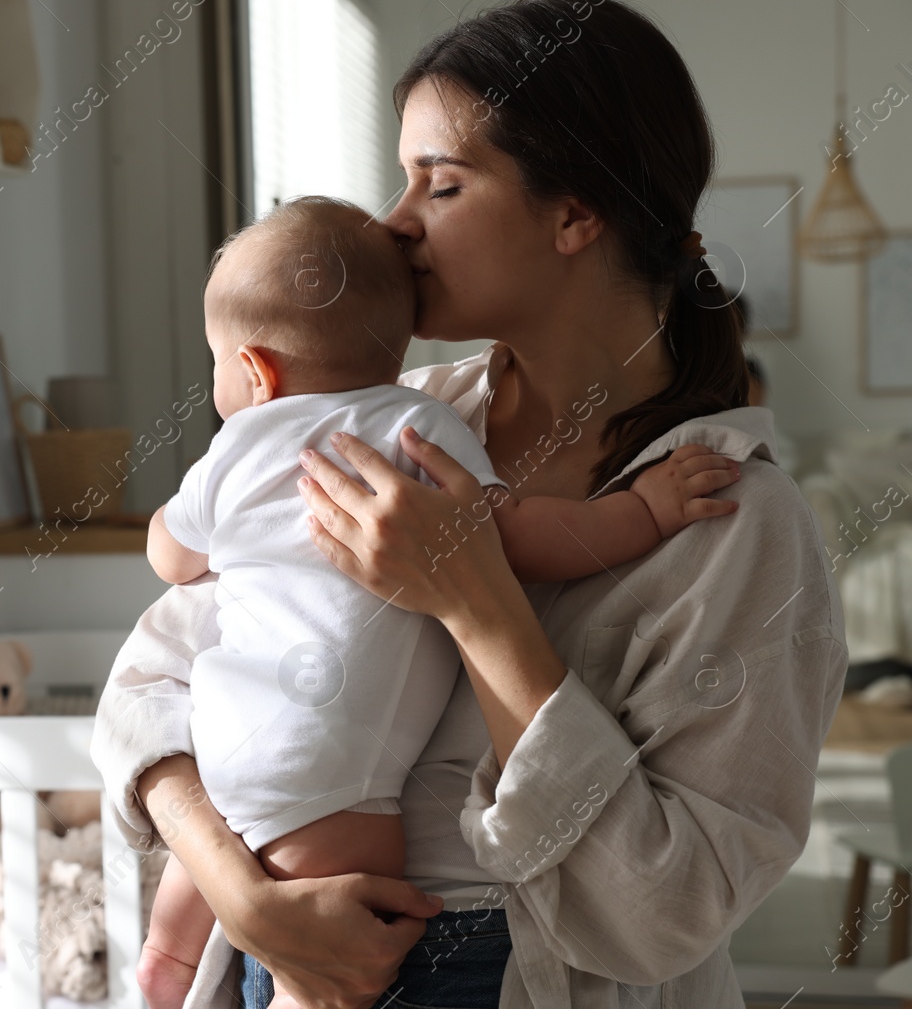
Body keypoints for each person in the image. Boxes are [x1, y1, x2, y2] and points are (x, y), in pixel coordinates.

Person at [89, 0, 847, 1009]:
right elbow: (147, 687)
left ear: (575, 213)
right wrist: (244, 893)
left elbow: (665, 909)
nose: (394, 224)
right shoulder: (378, 427)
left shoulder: (734, 527)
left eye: (438, 185)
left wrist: (475, 597)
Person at [134, 196, 741, 1009]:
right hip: (330, 794)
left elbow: (170, 561)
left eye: (440, 181)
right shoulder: (423, 422)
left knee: (189, 928)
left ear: (255, 371)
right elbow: (521, 536)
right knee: (322, 966)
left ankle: (161, 969)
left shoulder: (235, 449)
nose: (403, 217)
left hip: (228, 754)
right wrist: (642, 513)